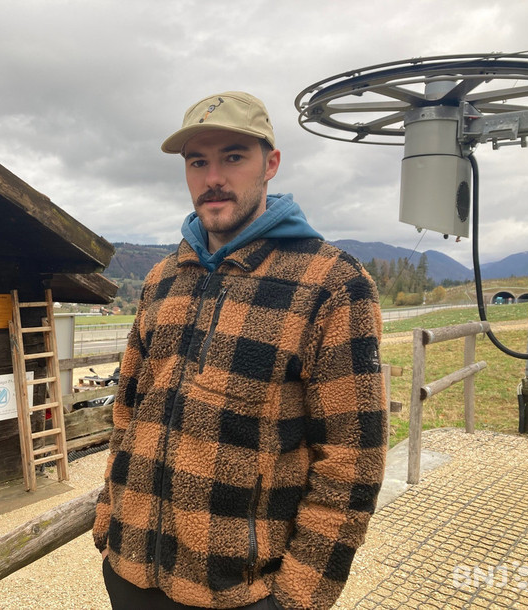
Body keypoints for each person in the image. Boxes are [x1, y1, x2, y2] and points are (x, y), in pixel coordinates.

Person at [93, 91, 387, 609]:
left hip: (240, 593)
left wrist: (296, 597)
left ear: (270, 164)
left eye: (233, 157)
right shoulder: (162, 279)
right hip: (128, 573)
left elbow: (351, 462)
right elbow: (128, 411)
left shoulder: (331, 284)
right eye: (197, 162)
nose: (213, 178)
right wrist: (107, 520)